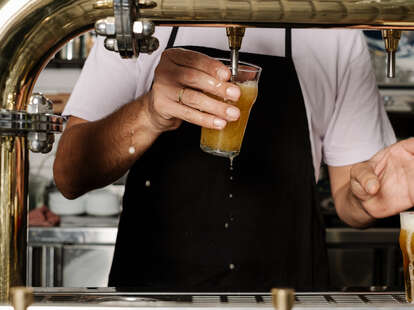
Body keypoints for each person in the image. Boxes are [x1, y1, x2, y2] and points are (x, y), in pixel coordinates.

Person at [53, 26, 405, 291]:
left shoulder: (332, 30)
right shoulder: (140, 22)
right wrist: (148, 114)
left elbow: (349, 196)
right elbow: (70, 174)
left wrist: (368, 197)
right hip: (154, 293)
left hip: (285, 294)